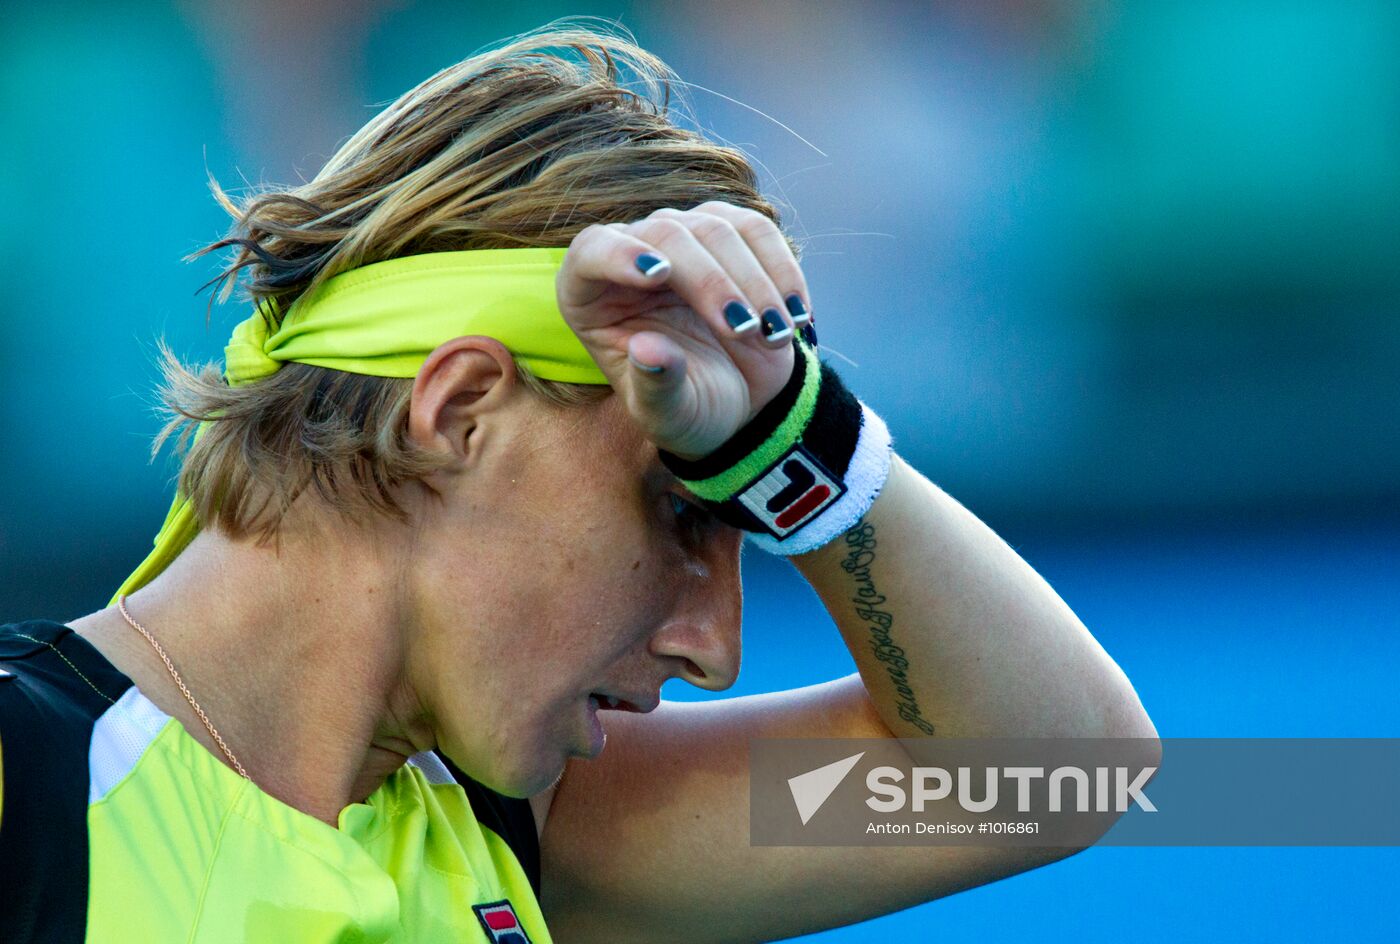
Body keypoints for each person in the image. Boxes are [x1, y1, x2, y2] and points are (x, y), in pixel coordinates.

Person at [0, 22, 1158, 944]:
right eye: (675, 507)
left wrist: (804, 437)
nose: (714, 645)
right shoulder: (29, 781)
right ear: (458, 411)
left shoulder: (522, 829)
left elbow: (1051, 771)